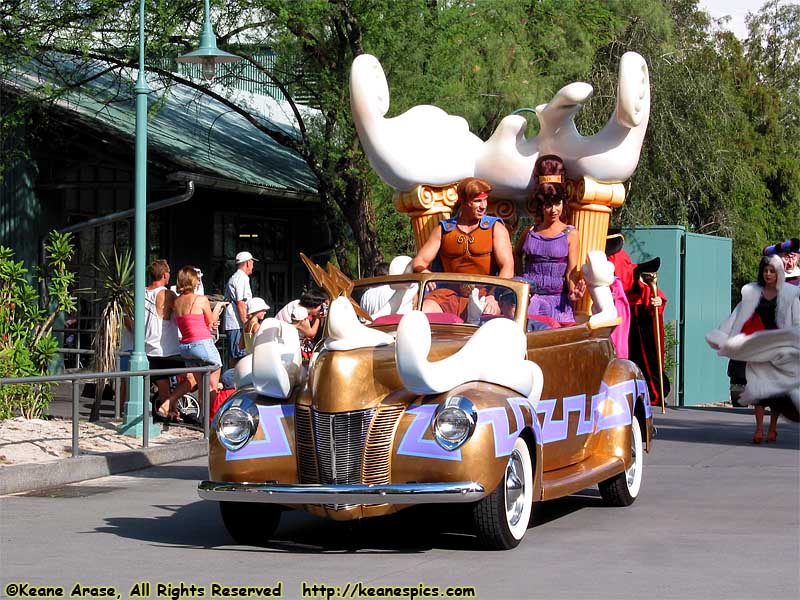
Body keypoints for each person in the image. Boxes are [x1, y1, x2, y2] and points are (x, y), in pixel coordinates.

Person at [706, 255, 800, 443]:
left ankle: (772, 429)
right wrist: (723, 335)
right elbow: (737, 316)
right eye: (765, 270)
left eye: (772, 271)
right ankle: (758, 429)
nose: (768, 274)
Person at [411, 177, 513, 317]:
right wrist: (423, 271)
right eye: (477, 201)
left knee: (490, 320)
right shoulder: (444, 229)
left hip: (484, 294)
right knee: (422, 313)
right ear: (464, 201)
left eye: (485, 200)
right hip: (448, 295)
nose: (483, 206)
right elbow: (420, 260)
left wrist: (494, 295)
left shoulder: (496, 228)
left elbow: (507, 266)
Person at [514, 155, 585, 324]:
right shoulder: (530, 231)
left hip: (558, 304)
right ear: (541, 205)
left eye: (557, 203)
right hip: (530, 302)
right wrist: (519, 279)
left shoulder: (570, 233)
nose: (553, 209)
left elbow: (571, 270)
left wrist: (574, 289)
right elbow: (516, 254)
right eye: (548, 204)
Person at [139, 259, 191, 420]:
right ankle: (169, 405)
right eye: (168, 271)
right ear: (164, 275)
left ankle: (171, 412)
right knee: (193, 377)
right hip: (167, 349)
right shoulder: (168, 294)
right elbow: (183, 312)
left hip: (148, 348)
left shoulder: (140, 292)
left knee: (164, 388)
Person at [173, 266, 222, 417]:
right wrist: (219, 307)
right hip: (202, 344)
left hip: (186, 347)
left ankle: (203, 420)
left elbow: (192, 322)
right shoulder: (201, 300)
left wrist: (208, 325)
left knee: (201, 386)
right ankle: (212, 419)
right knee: (213, 385)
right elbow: (211, 320)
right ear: (194, 282)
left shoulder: (176, 302)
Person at [223, 251, 257, 368]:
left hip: (234, 323)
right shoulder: (242, 278)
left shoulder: (236, 277)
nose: (253, 265)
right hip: (237, 324)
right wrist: (247, 324)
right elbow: (241, 303)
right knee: (239, 356)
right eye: (252, 263)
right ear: (247, 263)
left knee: (235, 356)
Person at [276, 290, 329, 360]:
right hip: (285, 348)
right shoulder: (300, 314)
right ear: (314, 305)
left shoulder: (296, 303)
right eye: (321, 307)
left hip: (279, 339)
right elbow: (311, 334)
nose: (321, 310)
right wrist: (318, 318)